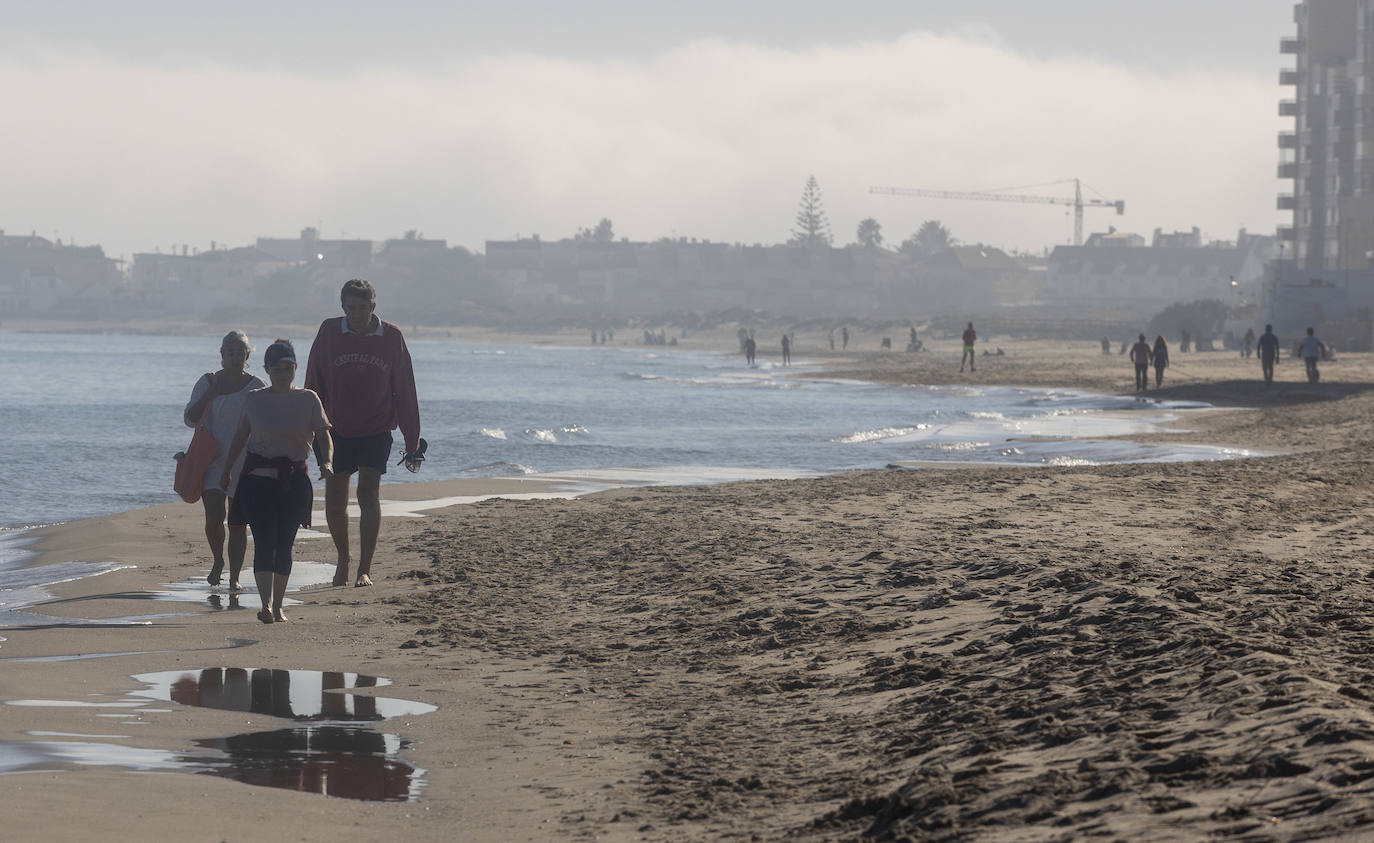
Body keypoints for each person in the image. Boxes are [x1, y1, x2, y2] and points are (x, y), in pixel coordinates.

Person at [305, 279, 423, 588]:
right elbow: (312, 381)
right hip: (334, 429)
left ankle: (364, 569)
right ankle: (343, 558)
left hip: (376, 427)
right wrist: (306, 427)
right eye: (349, 308)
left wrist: (412, 440)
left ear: (373, 306)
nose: (355, 314)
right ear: (342, 307)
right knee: (334, 499)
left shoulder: (392, 337)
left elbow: (405, 388)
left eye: (361, 308)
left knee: (368, 493)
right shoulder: (330, 331)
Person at [221, 340, 333, 624]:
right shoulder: (255, 398)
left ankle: (280, 605)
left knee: (284, 544)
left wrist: (327, 461)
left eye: (288, 367)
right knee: (263, 541)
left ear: (295, 368)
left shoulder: (308, 398)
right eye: (277, 368)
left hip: (294, 482)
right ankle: (265, 605)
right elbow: (240, 437)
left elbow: (323, 435)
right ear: (267, 369)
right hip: (257, 482)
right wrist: (226, 470)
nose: (283, 373)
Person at [183, 331, 266, 591]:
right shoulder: (208, 381)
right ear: (221, 355)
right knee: (214, 517)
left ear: (247, 355)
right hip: (212, 460)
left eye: (239, 351)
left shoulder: (257, 385)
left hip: (245, 461)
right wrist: (210, 394)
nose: (234, 355)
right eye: (229, 351)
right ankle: (218, 560)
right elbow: (190, 419)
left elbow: (266, 423)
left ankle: (235, 577)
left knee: (238, 523)